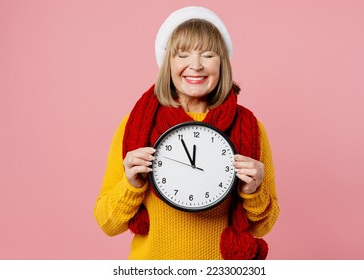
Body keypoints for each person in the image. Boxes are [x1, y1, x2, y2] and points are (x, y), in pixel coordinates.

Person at [94, 6, 279, 260]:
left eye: (208, 55)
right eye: (182, 55)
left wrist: (252, 191)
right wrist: (131, 185)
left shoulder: (250, 128)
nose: (196, 65)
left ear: (222, 62)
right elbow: (107, 224)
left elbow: (263, 226)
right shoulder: (134, 126)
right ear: (167, 62)